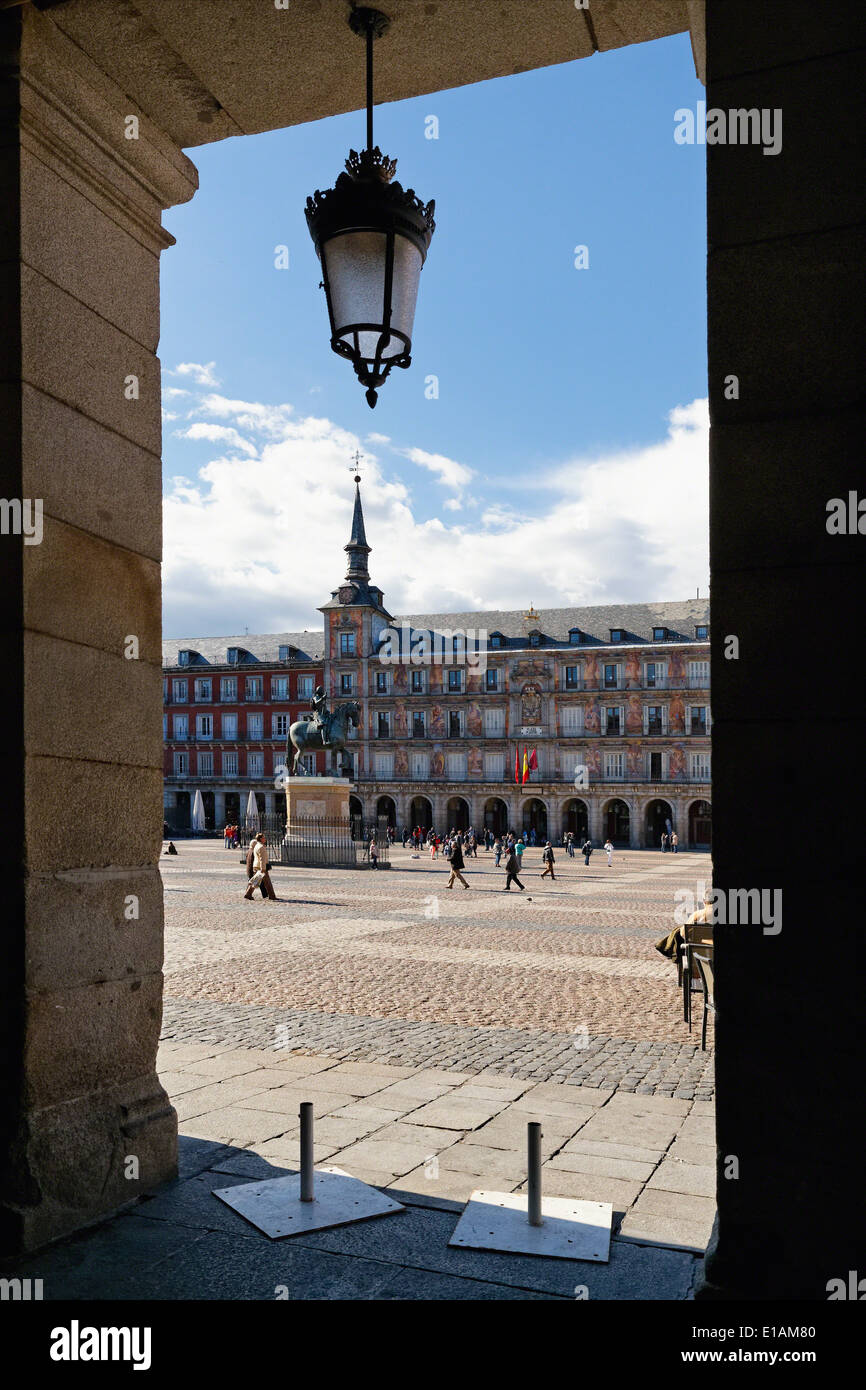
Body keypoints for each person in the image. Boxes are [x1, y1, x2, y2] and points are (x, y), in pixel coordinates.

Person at [244, 833, 276, 901]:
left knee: (261, 881)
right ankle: (271, 896)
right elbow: (262, 859)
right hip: (261, 867)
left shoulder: (257, 846)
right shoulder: (261, 847)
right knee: (262, 881)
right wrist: (263, 869)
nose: (265, 839)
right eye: (264, 837)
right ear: (261, 839)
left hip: (257, 866)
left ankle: (271, 895)